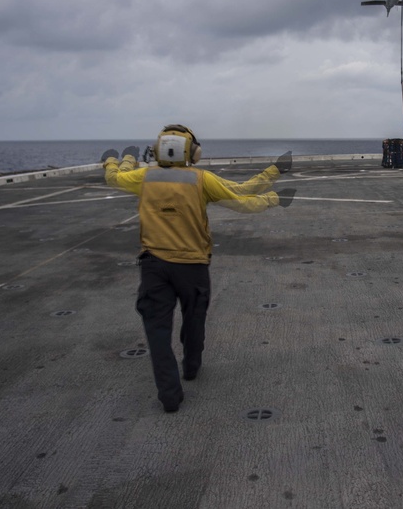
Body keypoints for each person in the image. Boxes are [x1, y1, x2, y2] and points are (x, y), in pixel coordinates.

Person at [103, 124, 295, 413]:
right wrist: (274, 187)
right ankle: (191, 366)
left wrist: (121, 159)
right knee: (194, 320)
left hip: (154, 265)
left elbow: (113, 178)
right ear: (193, 153)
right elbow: (242, 196)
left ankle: (169, 395)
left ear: (157, 150)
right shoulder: (200, 179)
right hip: (192, 266)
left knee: (157, 332)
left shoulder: (145, 177)